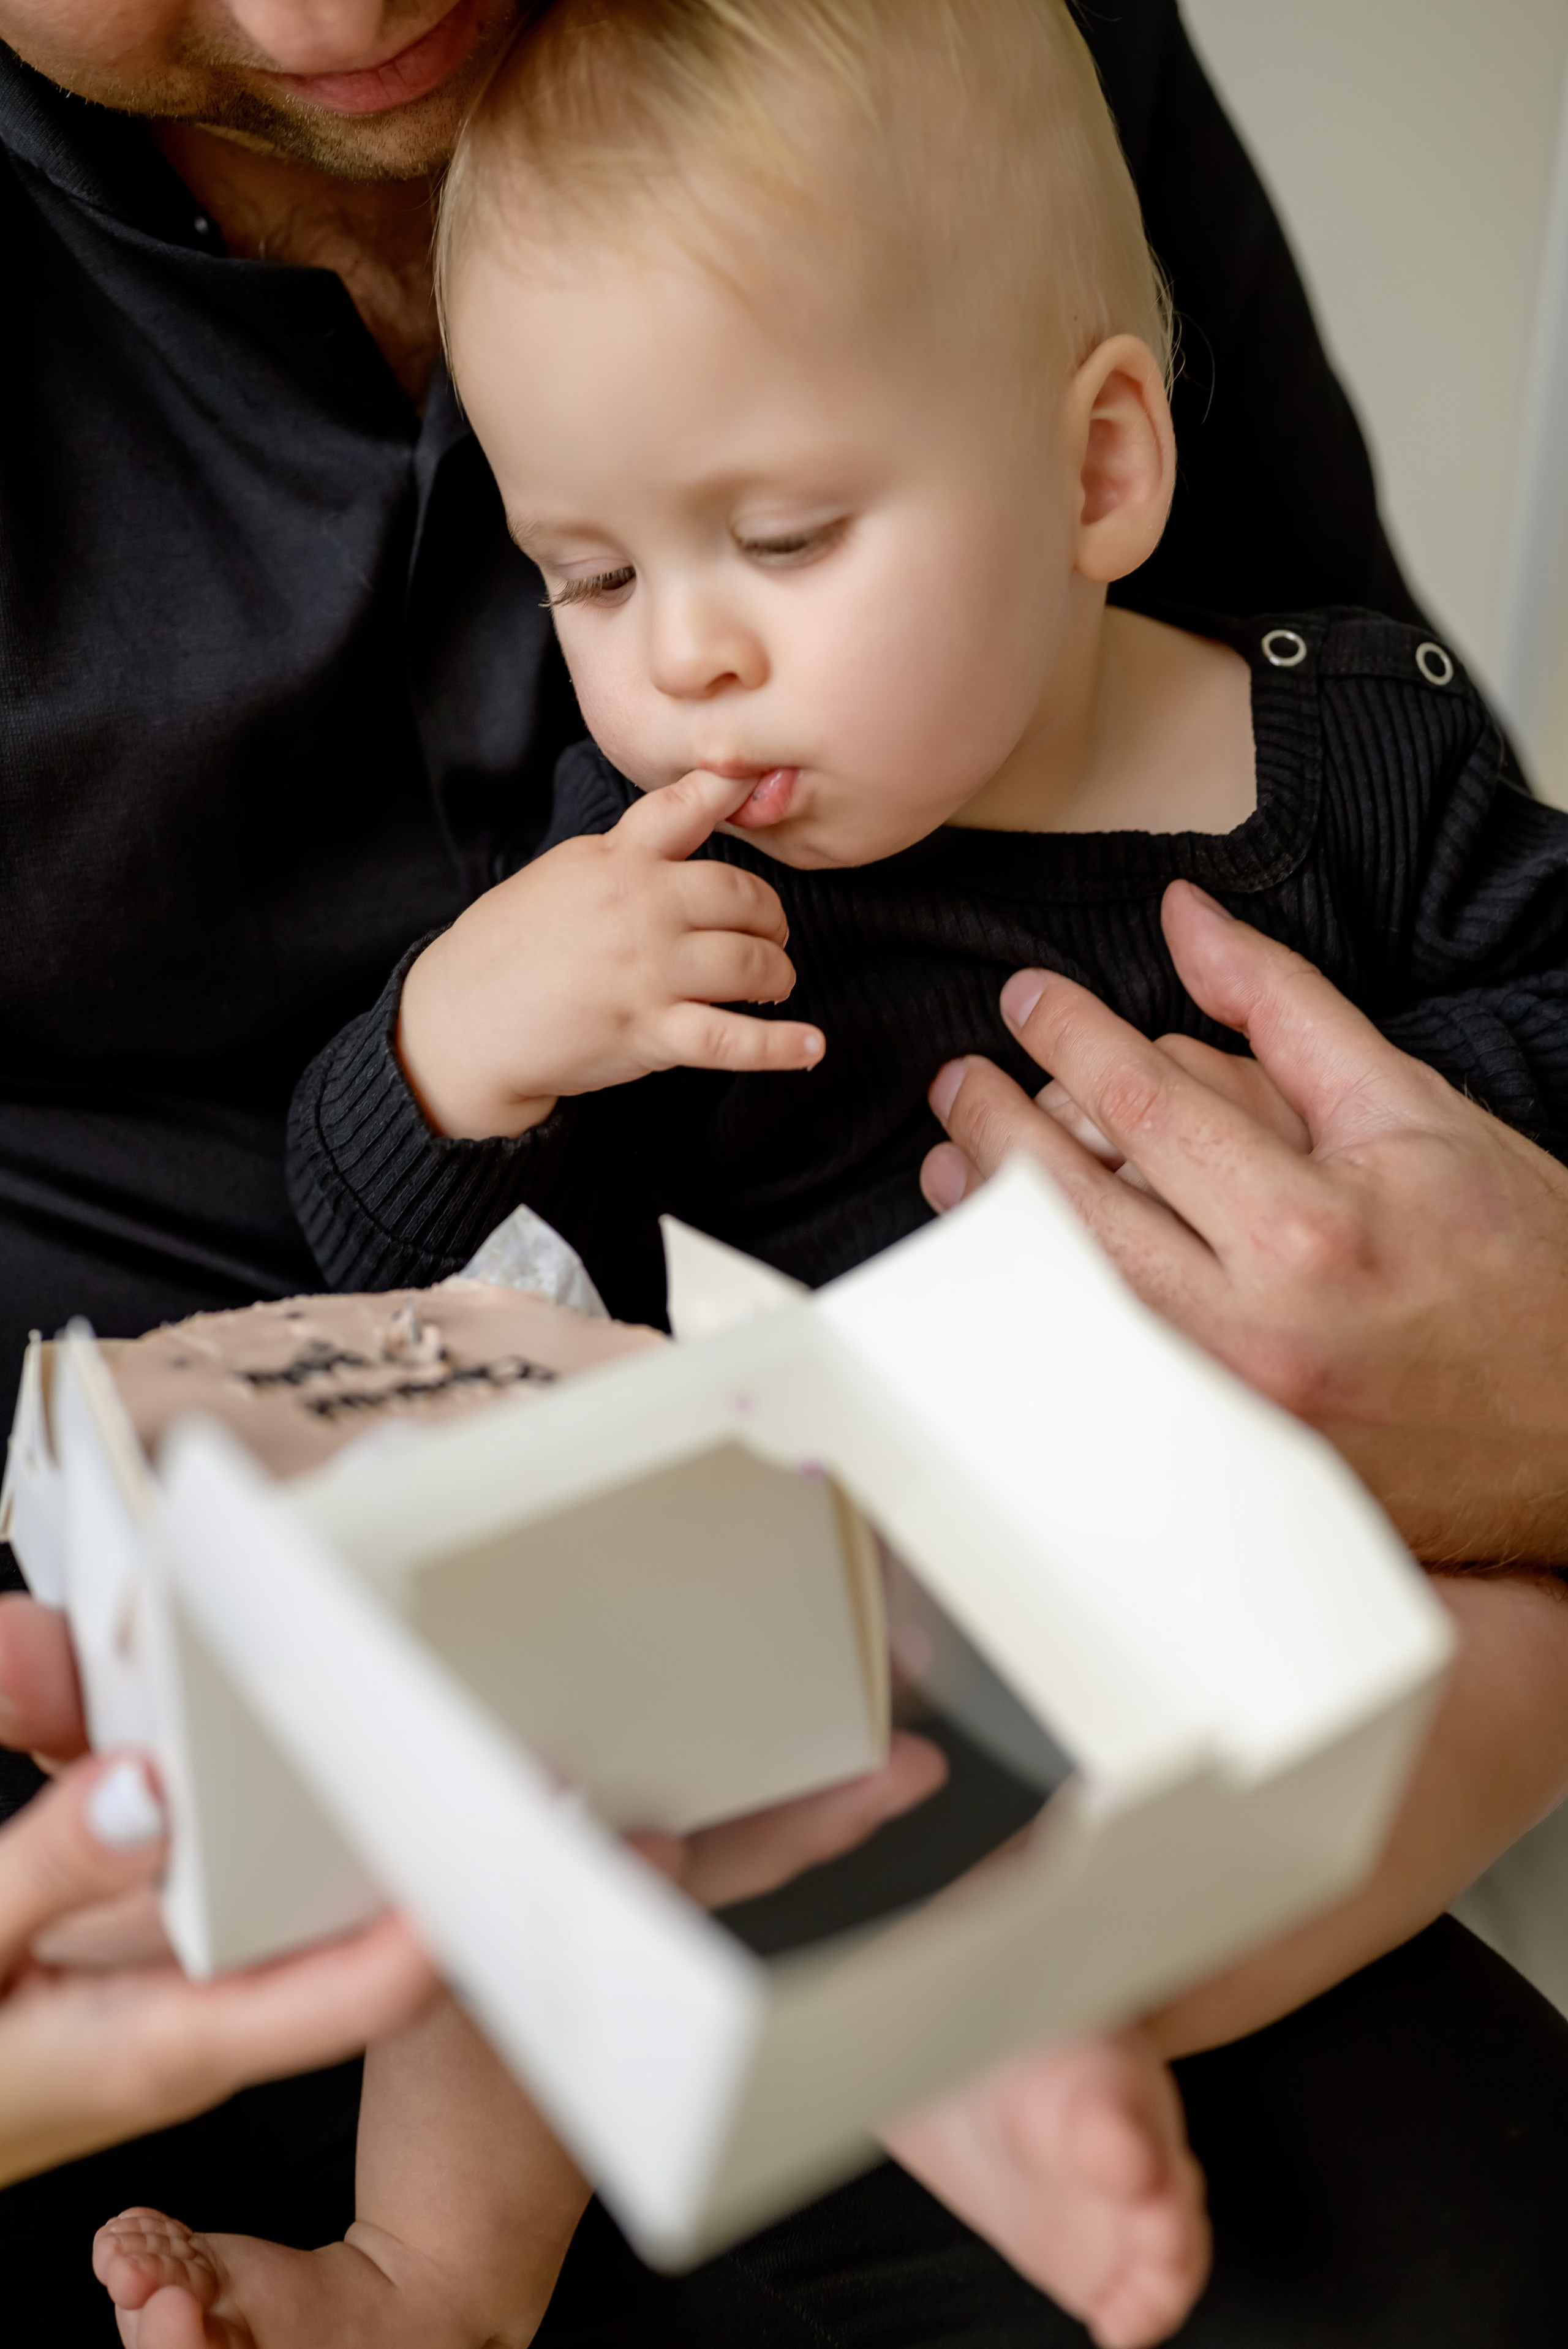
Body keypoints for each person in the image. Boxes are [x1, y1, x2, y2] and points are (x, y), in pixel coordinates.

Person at [6, 3, 1568, 2346]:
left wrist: (1394, 1151)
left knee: (1522, 1651)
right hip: (775, 1573)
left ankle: (1026, 1995)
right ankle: (435, 2271)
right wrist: (456, 1052)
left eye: (784, 541)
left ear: (1102, 468)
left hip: (1201, 1546)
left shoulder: (1345, 752)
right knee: (530, 1745)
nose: (687, 667)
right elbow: (423, 1251)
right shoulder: (675, 864)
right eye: (587, 580)